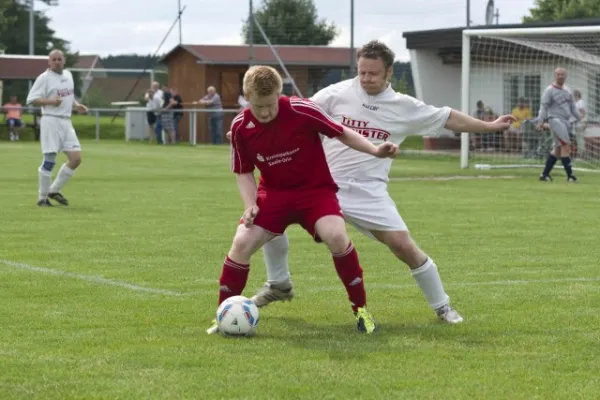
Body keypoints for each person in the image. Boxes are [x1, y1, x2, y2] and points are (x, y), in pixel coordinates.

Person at [249, 40, 516, 324]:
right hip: (321, 185)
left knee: (403, 245)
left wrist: (489, 126)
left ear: (388, 72)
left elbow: (447, 117)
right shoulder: (335, 94)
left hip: (368, 190)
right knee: (269, 220)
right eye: (362, 72)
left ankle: (443, 307)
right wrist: (248, 128)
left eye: (373, 73)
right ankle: (279, 284)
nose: (366, 78)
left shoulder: (402, 106)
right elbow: (292, 112)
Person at [206, 65, 399, 335]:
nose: (265, 112)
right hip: (273, 195)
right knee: (241, 241)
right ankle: (224, 315)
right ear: (246, 96)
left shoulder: (302, 109)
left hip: (315, 191)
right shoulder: (240, 126)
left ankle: (361, 311)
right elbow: (244, 172)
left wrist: (375, 150)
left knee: (336, 235)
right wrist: (250, 205)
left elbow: (341, 132)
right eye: (258, 106)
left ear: (279, 93)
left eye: (270, 104)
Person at [26, 49, 88, 207]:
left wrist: (77, 105)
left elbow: (69, 95)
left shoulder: (68, 75)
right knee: (49, 160)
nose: (57, 61)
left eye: (59, 59)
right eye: (54, 59)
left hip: (66, 122)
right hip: (51, 121)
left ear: (64, 60)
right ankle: (42, 198)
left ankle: (53, 190)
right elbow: (31, 99)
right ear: (49, 61)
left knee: (75, 159)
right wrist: (51, 102)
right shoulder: (44, 78)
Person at [536, 68, 580, 182]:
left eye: (563, 74)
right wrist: (540, 122)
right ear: (555, 76)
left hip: (565, 121)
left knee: (557, 149)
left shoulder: (568, 90)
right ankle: (570, 176)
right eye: (558, 74)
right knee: (566, 145)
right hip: (555, 120)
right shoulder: (549, 90)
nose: (560, 76)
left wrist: (580, 118)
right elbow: (543, 107)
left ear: (566, 76)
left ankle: (544, 175)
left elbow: (573, 108)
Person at [573, 89, 586, 156]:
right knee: (578, 138)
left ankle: (581, 153)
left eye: (574, 96)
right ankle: (580, 152)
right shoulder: (577, 102)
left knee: (580, 138)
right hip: (576, 123)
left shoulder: (580, 102)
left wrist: (581, 121)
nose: (574, 98)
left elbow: (582, 112)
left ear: (577, 96)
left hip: (580, 123)